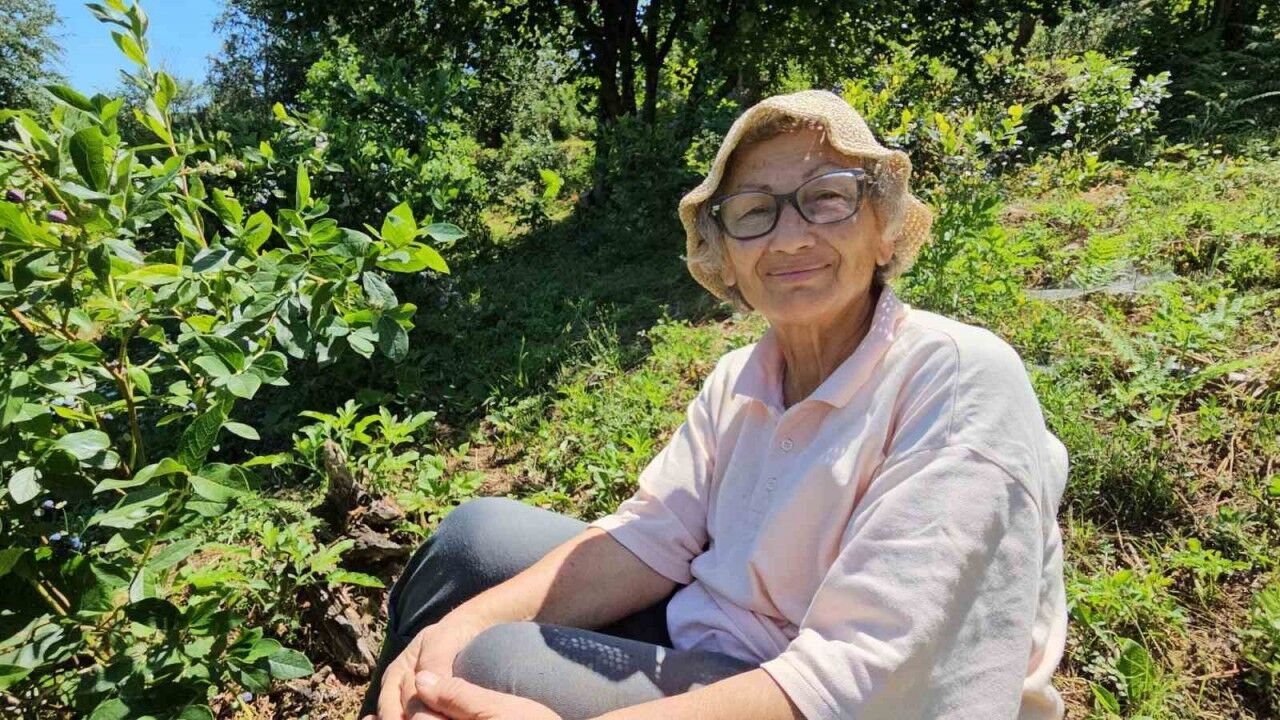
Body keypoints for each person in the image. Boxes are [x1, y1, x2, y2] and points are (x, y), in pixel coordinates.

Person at [362, 89, 1068, 720]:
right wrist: (449, 631)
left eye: (828, 198)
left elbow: (867, 674)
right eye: (755, 211)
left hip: (844, 700)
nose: (791, 237)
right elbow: (655, 535)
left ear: (883, 229)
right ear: (725, 257)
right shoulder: (740, 379)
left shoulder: (954, 378)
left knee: (499, 665)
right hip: (718, 644)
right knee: (474, 542)